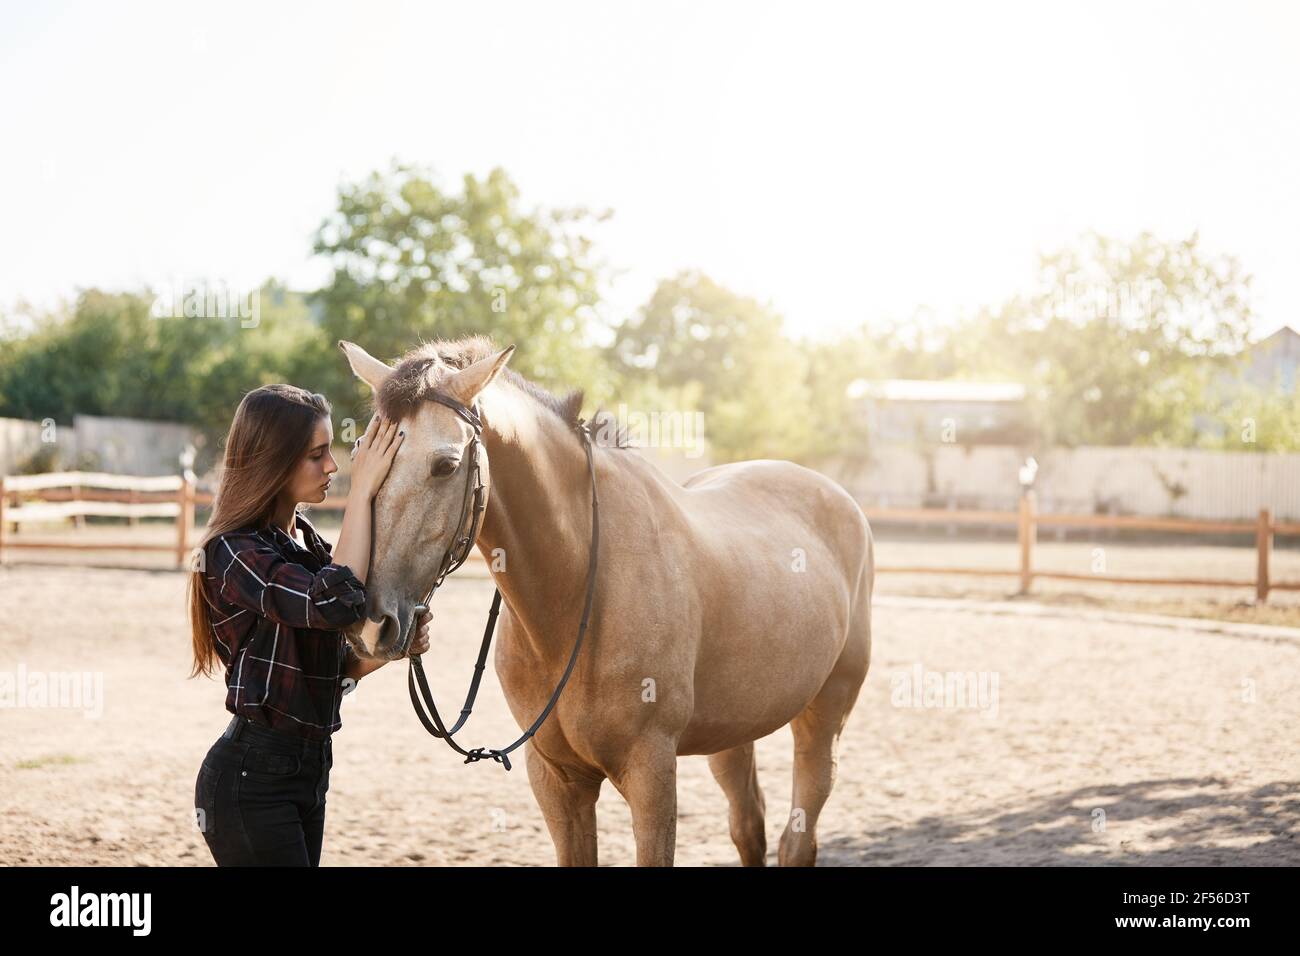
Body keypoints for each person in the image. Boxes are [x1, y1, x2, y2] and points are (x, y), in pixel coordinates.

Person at [186, 383, 422, 866]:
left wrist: (390, 651)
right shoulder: (232, 551)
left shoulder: (303, 540)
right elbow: (332, 602)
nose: (332, 466)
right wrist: (362, 492)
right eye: (317, 455)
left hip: (308, 768)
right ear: (274, 460)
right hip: (252, 780)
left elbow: (331, 667)